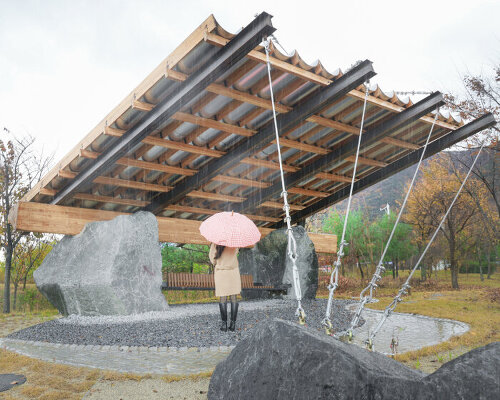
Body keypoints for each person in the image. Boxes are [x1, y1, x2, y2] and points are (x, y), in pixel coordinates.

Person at [209, 243, 241, 332]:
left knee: (222, 297)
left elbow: (212, 260)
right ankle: (233, 324)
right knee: (233, 297)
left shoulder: (215, 243)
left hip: (221, 272)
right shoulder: (234, 242)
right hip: (233, 272)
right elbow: (235, 253)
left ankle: (224, 325)